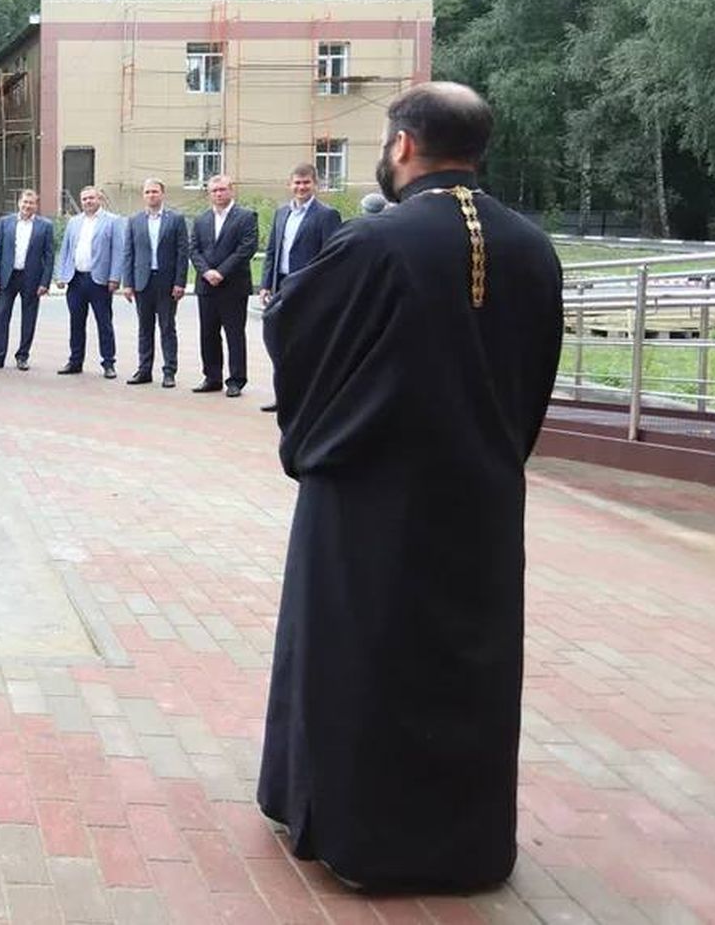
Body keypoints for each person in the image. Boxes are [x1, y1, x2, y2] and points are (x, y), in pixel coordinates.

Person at [258, 82, 563, 894]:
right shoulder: (533, 247)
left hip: (370, 503)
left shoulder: (373, 243)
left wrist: (321, 435)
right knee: (466, 670)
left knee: (364, 662)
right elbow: (534, 378)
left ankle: (362, 834)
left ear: (401, 145)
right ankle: (464, 843)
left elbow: (294, 329)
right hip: (483, 503)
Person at [257, 164, 343, 411]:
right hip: (281, 285)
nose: (301, 187)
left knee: (308, 345)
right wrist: (265, 284)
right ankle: (283, 397)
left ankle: (310, 400)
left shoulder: (327, 215)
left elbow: (331, 256)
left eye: (306, 182)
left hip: (309, 290)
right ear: (290, 184)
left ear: (315, 184)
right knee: (279, 342)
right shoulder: (281, 212)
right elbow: (272, 251)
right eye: (297, 182)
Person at [188, 174, 258, 397]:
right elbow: (194, 249)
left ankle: (236, 380)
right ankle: (212, 377)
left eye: (222, 189)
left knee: (234, 335)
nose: (218, 194)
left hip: (233, 286)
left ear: (231, 190)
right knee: (208, 334)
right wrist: (207, 272)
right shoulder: (201, 219)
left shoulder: (246, 217)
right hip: (206, 285)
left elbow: (246, 248)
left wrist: (221, 272)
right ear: (209, 193)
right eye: (214, 190)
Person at [117, 178, 189, 388]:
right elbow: (128, 252)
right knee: (144, 328)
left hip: (167, 282)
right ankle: (144, 370)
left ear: (162, 194)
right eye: (147, 192)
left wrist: (180, 282)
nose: (151, 195)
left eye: (155, 191)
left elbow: (182, 253)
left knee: (167, 327)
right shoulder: (134, 220)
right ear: (143, 195)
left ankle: (169, 371)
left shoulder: (176, 219)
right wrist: (127, 283)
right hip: (143, 282)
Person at [53, 185, 122, 378]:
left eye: (91, 198)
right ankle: (75, 361)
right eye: (84, 199)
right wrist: (61, 274)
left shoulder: (113, 221)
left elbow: (118, 251)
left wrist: (115, 277)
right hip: (75, 279)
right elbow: (66, 249)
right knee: (76, 323)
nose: (88, 202)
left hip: (99, 281)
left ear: (99, 199)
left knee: (104, 324)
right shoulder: (74, 222)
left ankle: (108, 363)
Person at [0, 189, 53, 370]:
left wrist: (45, 282)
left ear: (36, 205)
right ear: (19, 203)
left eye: (31, 203)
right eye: (25, 202)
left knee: (29, 318)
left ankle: (22, 356)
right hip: (8, 277)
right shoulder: (5, 222)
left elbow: (49, 256)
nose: (27, 206)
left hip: (31, 278)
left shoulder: (45, 226)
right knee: (1, 316)